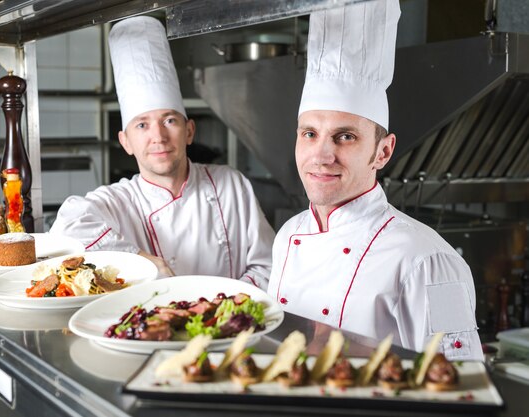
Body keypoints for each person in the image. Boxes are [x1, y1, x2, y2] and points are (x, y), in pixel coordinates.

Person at [267, 0, 483, 361]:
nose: (321, 155)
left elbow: (462, 377)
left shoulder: (430, 260)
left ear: (383, 152)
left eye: (345, 137)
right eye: (309, 134)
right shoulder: (289, 234)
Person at [50, 16, 274, 288]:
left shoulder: (231, 185)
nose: (158, 136)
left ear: (189, 131)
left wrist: (227, 304)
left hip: (233, 324)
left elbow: (267, 266)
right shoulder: (120, 201)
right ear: (126, 142)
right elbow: (66, 226)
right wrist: (142, 260)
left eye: (169, 120)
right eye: (142, 125)